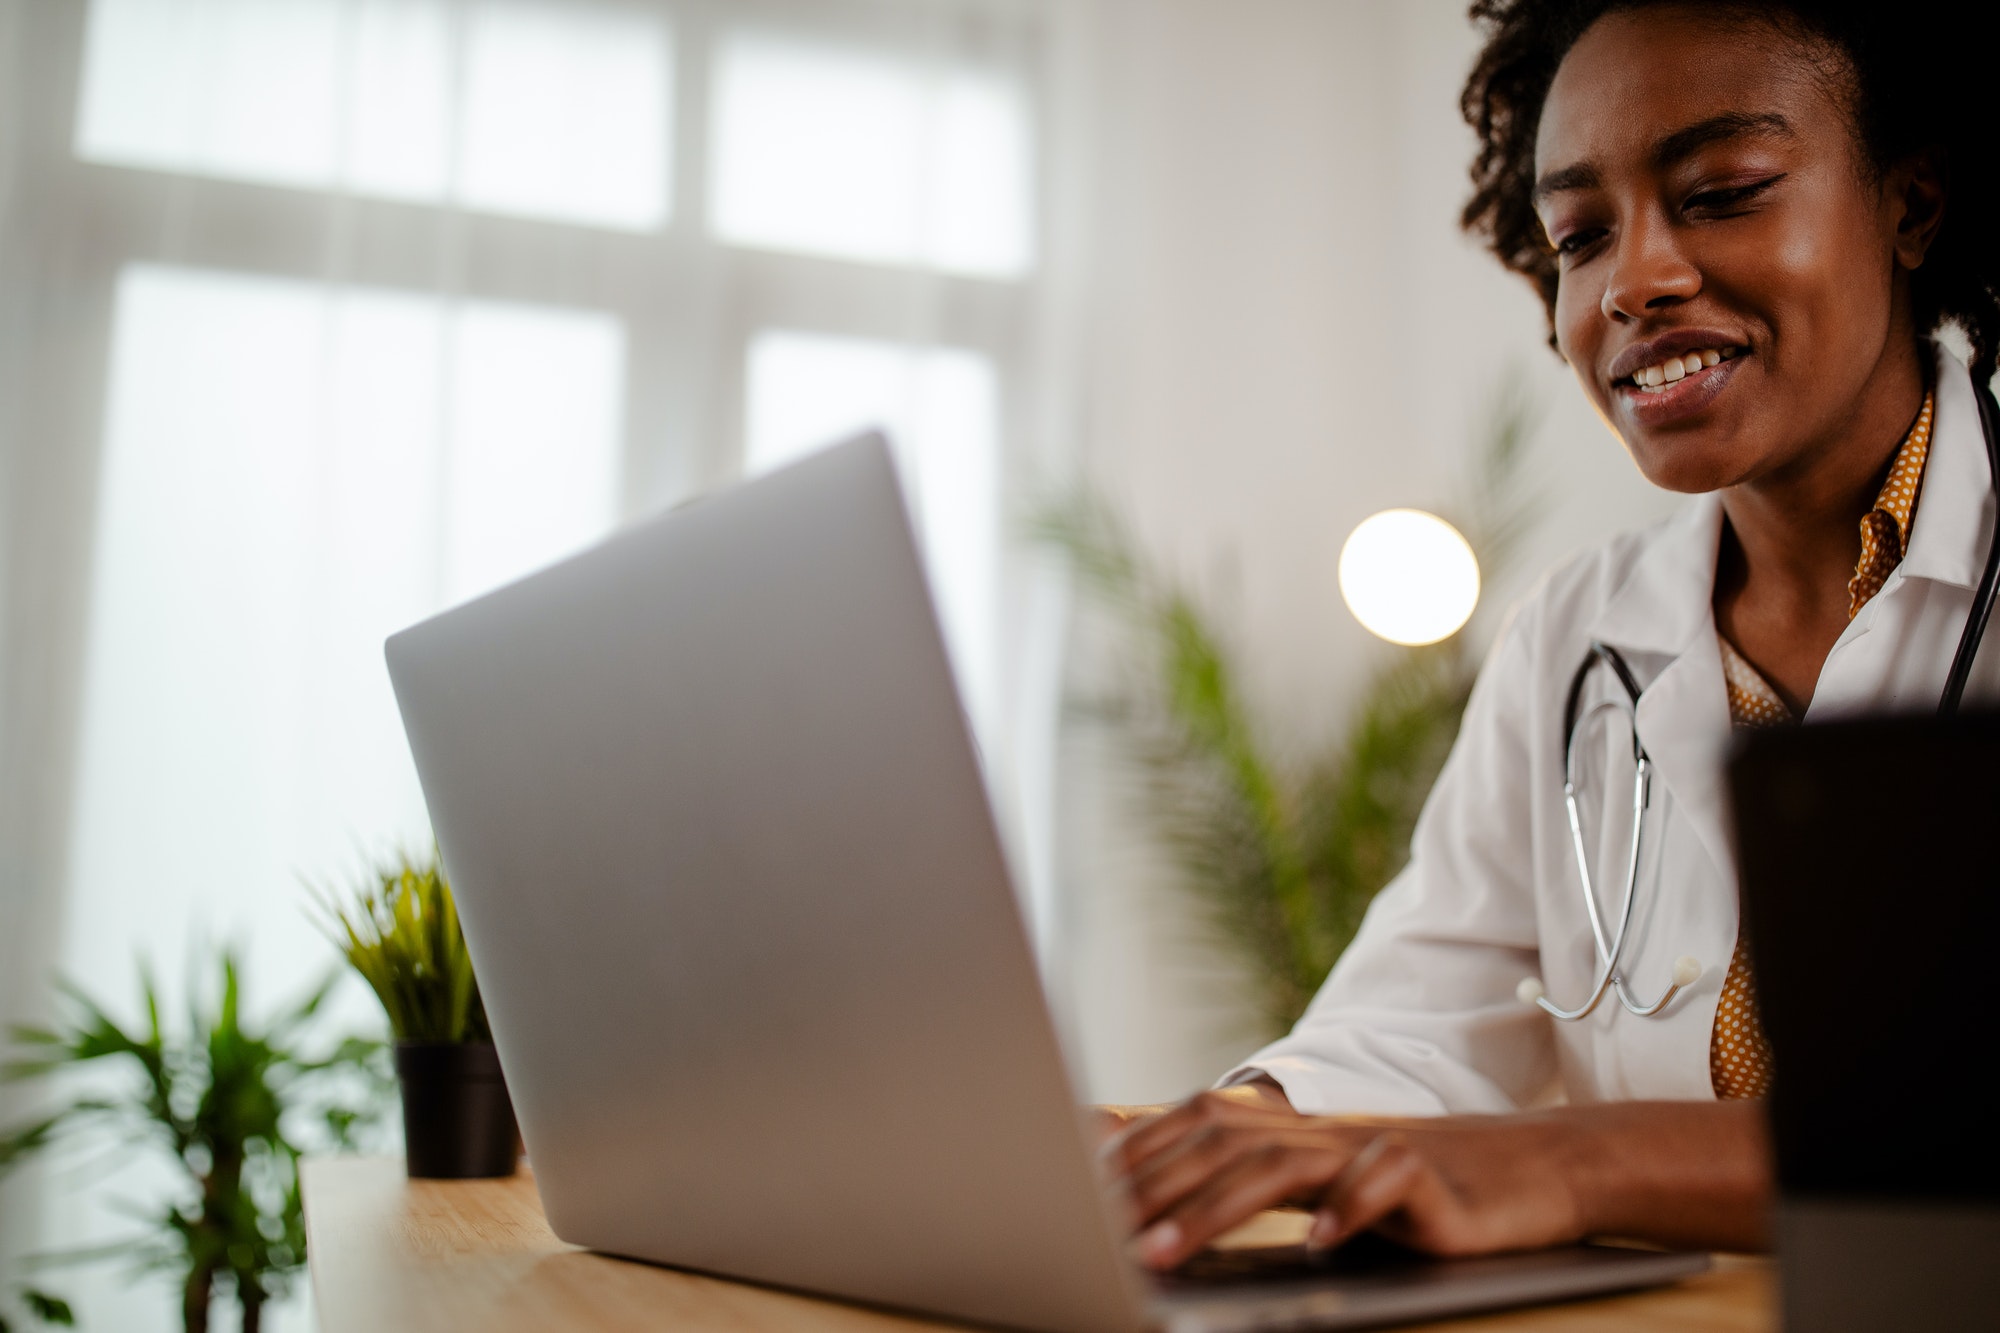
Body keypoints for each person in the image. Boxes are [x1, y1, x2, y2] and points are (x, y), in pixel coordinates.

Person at [1102, 0, 2000, 1271]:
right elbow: (1413, 1019)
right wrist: (1217, 1133)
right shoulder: (1574, 635)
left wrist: (1572, 1157)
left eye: (1722, 190)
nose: (1632, 280)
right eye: (1579, 233)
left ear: (1909, 205)